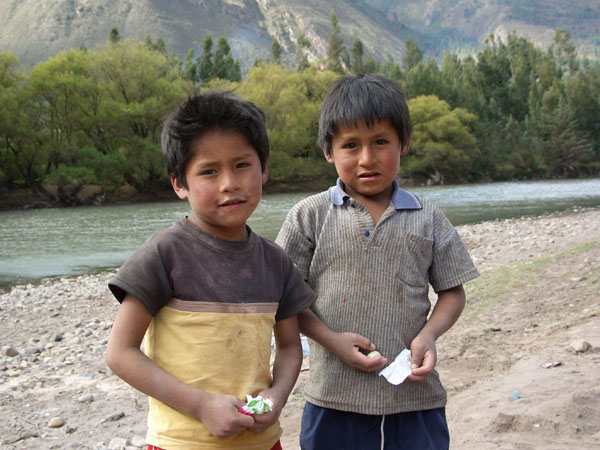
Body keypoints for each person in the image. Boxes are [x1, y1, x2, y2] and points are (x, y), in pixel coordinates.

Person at [275, 73, 480, 450]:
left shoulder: (428, 217)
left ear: (404, 143)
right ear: (329, 151)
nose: (367, 159)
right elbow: (286, 299)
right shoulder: (309, 216)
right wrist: (331, 340)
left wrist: (428, 335)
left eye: (381, 142)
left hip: (414, 398)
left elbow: (453, 292)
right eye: (351, 145)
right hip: (333, 397)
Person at [105, 91, 316, 450]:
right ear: (179, 183)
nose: (229, 183)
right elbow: (120, 352)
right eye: (208, 171)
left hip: (261, 442)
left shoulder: (275, 261)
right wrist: (201, 406)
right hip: (180, 443)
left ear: (264, 168)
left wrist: (277, 396)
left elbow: (289, 347)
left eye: (242, 165)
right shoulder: (164, 254)